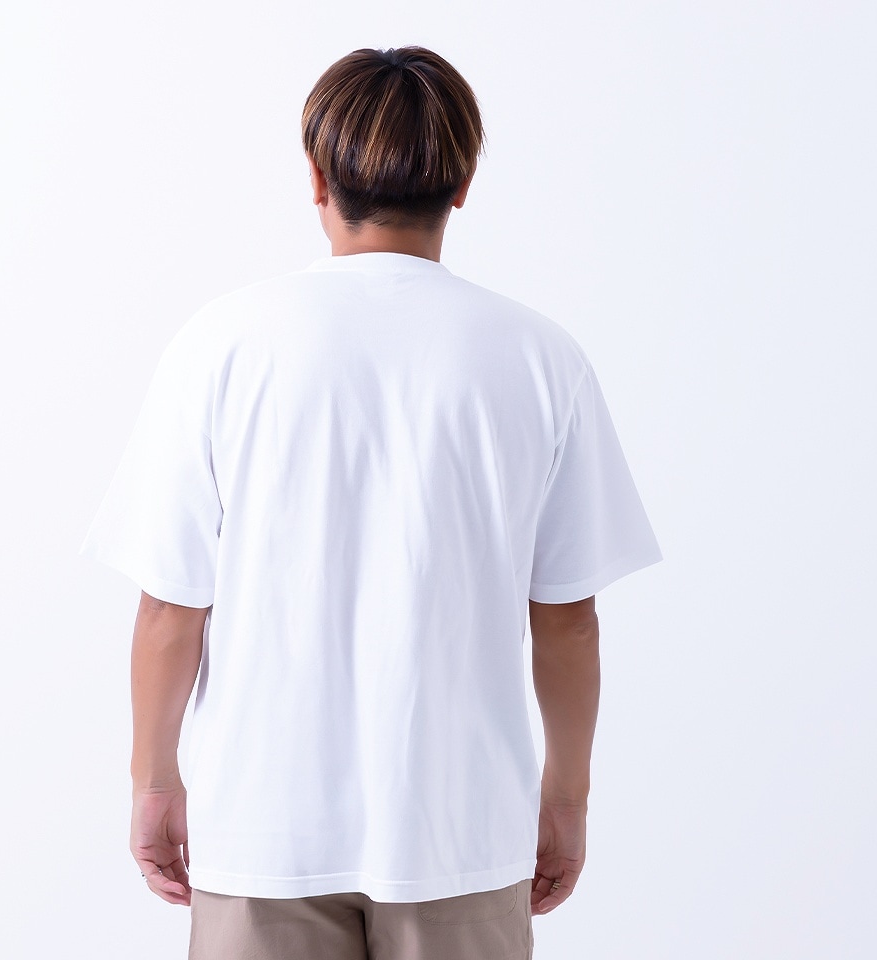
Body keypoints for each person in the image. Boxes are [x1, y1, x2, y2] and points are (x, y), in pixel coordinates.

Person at [81, 45, 661, 960]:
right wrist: (565, 797)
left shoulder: (220, 345)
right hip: (462, 831)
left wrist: (153, 781)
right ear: (462, 185)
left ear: (317, 178)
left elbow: (169, 609)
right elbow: (568, 618)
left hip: (262, 830)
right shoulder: (539, 357)